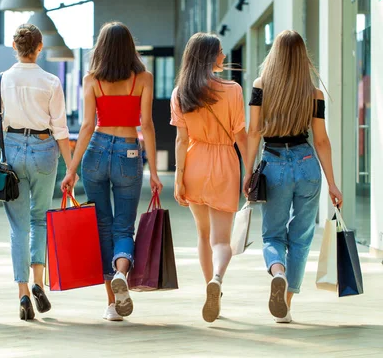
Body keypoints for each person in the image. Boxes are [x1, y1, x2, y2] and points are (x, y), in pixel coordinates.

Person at [61, 21, 163, 322]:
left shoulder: (92, 79)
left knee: (101, 226)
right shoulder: (143, 78)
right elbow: (146, 124)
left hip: (96, 150)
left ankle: (111, 304)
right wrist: (154, 170)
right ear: (130, 47)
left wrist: (71, 169)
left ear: (101, 48)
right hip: (129, 151)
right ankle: (121, 272)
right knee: (123, 227)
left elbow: (88, 126)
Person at [243, 30, 343, 323]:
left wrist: (247, 173)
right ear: (303, 57)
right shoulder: (314, 93)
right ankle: (285, 306)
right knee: (300, 238)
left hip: (273, 164)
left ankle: (278, 272)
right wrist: (333, 183)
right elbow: (322, 140)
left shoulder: (261, 86)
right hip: (307, 163)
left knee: (273, 234)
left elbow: (253, 132)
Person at [0, 23, 73, 321]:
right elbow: (61, 129)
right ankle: (38, 281)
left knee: (18, 225)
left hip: (11, 152)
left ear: (14, 46)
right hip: (44, 147)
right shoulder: (50, 82)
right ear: (39, 48)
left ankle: (23, 292)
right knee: (40, 218)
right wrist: (71, 168)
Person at [170, 32, 247, 323]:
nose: (224, 57)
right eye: (220, 52)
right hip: (225, 161)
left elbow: (180, 139)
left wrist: (179, 178)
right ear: (209, 56)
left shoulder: (181, 93)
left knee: (202, 234)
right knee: (222, 240)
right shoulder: (233, 90)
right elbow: (241, 134)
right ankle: (217, 278)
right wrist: (248, 169)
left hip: (194, 163)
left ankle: (208, 289)